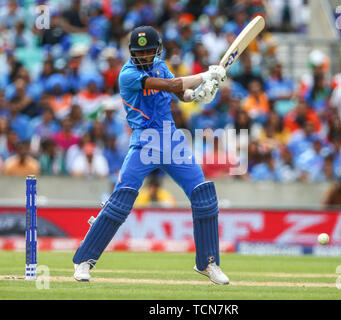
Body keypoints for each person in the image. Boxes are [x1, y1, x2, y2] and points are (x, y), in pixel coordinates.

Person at [72, 26, 229, 285]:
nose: (144, 57)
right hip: (144, 141)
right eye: (139, 52)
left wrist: (202, 92)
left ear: (157, 50)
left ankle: (208, 263)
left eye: (148, 52)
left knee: (204, 195)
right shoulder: (128, 74)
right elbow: (171, 84)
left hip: (171, 139)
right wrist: (205, 74)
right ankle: (84, 260)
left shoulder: (161, 65)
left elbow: (182, 93)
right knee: (121, 201)